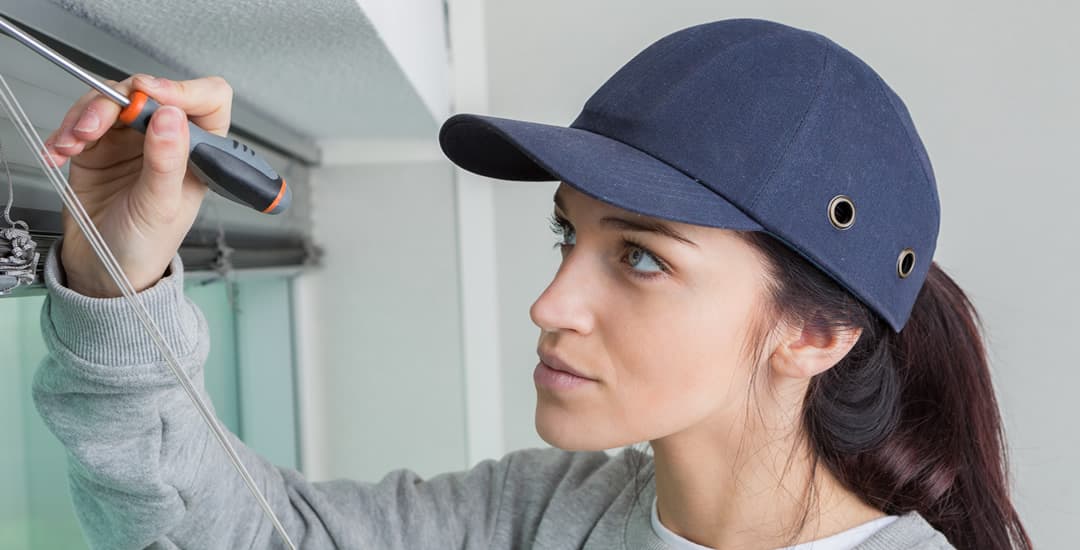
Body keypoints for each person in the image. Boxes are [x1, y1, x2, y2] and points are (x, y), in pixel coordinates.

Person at [34, 17, 1030, 550]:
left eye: (640, 256)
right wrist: (120, 269)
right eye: (569, 235)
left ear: (814, 335)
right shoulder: (534, 515)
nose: (550, 304)